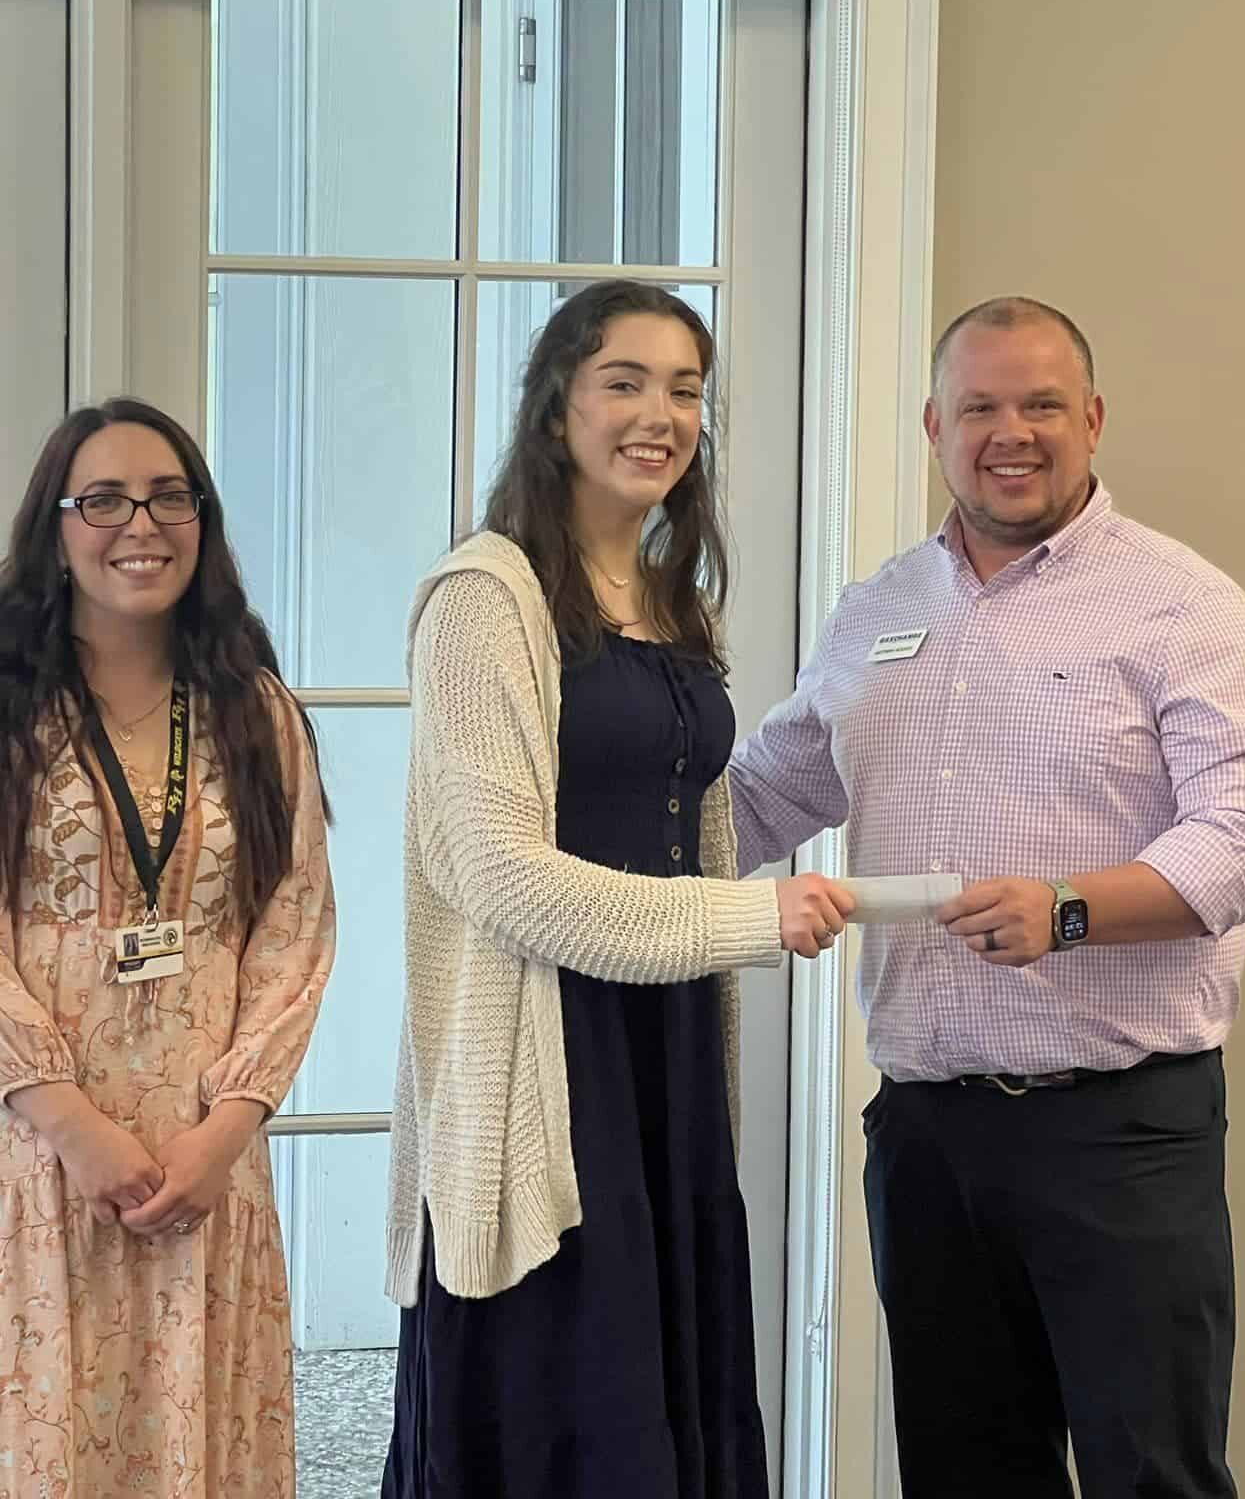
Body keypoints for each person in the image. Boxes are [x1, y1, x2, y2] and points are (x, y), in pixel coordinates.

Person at [729, 296, 1245, 1497]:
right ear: (935, 426)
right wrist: (575, 855)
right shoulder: (878, 608)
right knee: (964, 1470)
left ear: (1091, 421)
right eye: (982, 406)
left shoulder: (1184, 605)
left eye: (1042, 404)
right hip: (929, 1134)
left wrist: (1069, 910)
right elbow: (769, 791)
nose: (1013, 432)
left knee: (1152, 1472)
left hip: (1120, 1136)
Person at [380, 280, 854, 1499]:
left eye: (686, 390)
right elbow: (502, 878)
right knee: (564, 1419)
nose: (662, 415)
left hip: (667, 1050)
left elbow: (687, 829)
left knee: (666, 1408)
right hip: (547, 1061)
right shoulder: (486, 600)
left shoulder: (671, 602)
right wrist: (754, 918)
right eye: (625, 383)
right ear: (556, 413)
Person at [0, 398, 336, 1496]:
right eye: (102, 499)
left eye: (169, 496)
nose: (139, 524)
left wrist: (228, 1126)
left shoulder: (256, 710)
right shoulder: (11, 710)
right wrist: (68, 1121)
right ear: (55, 525)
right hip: (36, 1158)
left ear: (203, 519)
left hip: (207, 1157)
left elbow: (295, 925)